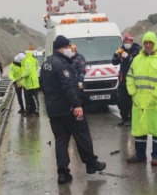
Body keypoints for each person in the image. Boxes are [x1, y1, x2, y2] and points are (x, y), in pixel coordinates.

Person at [39, 35, 106, 184]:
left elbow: (42, 85)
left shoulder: (46, 64)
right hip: (69, 109)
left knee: (61, 141)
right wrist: (77, 105)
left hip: (54, 111)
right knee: (82, 135)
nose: (71, 49)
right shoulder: (62, 65)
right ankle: (91, 164)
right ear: (62, 48)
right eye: (69, 47)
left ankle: (63, 173)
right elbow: (69, 86)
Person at [125, 31, 157, 166]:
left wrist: (156, 94)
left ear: (155, 44)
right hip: (139, 100)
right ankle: (140, 155)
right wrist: (133, 92)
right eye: (145, 43)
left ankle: (156, 157)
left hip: (156, 101)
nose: (148, 45)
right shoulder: (137, 59)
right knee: (140, 129)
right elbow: (130, 77)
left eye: (150, 43)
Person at [112, 34, 141, 126]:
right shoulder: (121, 50)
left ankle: (131, 119)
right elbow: (114, 62)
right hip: (122, 80)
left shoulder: (137, 51)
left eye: (128, 42)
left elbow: (132, 60)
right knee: (121, 101)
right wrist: (116, 54)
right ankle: (124, 118)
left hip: (132, 80)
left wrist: (124, 54)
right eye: (125, 42)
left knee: (130, 102)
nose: (126, 44)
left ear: (132, 42)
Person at [20, 49, 40, 116]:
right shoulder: (32, 61)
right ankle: (31, 111)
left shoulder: (27, 62)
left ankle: (36, 111)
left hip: (32, 83)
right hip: (30, 83)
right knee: (30, 98)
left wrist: (22, 76)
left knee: (33, 97)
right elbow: (36, 68)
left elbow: (28, 71)